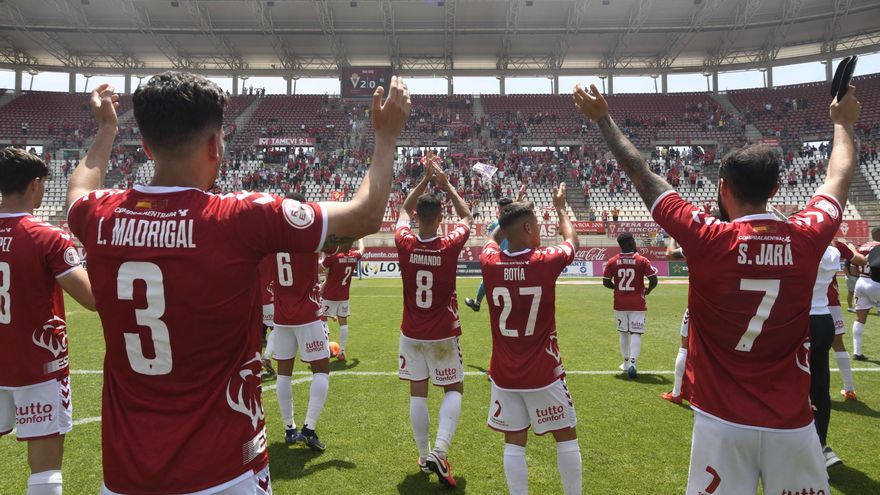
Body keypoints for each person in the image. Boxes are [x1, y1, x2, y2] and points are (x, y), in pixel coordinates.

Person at [66, 73, 410, 495]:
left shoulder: (99, 215)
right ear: (215, 146)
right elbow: (366, 215)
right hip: (225, 470)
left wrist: (105, 129)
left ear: (147, 147)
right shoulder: (238, 217)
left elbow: (79, 187)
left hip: (126, 474)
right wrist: (387, 136)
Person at [574, 80, 859, 494]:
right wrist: (842, 124)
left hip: (720, 422)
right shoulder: (806, 236)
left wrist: (603, 119)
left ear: (723, 189)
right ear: (776, 190)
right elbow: (839, 176)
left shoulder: (707, 237)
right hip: (793, 422)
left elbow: (641, 172)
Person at [0, 147, 95, 495]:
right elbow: (91, 298)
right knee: (45, 463)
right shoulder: (47, 236)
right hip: (38, 362)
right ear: (35, 184)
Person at [481, 183, 582, 495]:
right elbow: (571, 241)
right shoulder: (545, 261)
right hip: (543, 372)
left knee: (514, 441)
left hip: (504, 375)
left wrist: (505, 220)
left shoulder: (489, 262)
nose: (540, 230)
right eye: (537, 225)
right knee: (566, 436)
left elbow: (491, 239)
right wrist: (561, 206)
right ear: (528, 227)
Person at [395, 163, 472, 488]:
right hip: (442, 331)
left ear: (417, 217)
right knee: (453, 388)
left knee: (418, 393)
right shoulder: (449, 245)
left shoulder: (404, 242)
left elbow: (401, 208)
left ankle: (426, 454)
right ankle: (439, 451)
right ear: (441, 218)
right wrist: (447, 184)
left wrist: (425, 179)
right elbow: (467, 217)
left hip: (411, 332)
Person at [271, 192, 331, 451]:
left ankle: (289, 428)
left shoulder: (270, 240)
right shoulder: (308, 235)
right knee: (321, 370)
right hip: (308, 313)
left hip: (281, 316)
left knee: (283, 374)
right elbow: (337, 244)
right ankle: (308, 428)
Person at [809, 240, 867, 469]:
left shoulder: (791, 245)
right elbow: (856, 262)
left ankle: (803, 443)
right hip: (824, 314)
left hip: (796, 318)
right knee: (819, 384)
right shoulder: (833, 248)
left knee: (790, 383)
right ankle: (821, 444)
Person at [603, 232, 658, 378]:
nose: (635, 243)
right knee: (636, 332)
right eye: (633, 241)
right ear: (629, 243)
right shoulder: (642, 260)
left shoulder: (612, 261)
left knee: (623, 332)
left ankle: (626, 363)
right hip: (637, 303)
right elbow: (654, 280)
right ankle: (633, 363)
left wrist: (617, 288)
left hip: (620, 303)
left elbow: (605, 282)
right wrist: (648, 290)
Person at [464, 184, 526, 312]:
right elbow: (513, 212)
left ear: (502, 209)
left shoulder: (498, 223)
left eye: (499, 208)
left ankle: (478, 302)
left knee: (488, 280)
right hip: (513, 258)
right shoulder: (514, 222)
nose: (497, 210)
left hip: (499, 258)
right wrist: (519, 197)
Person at [827, 241, 863, 400]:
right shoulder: (835, 244)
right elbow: (861, 260)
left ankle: (806, 393)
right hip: (830, 301)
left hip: (805, 302)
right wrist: (852, 248)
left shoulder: (799, 239)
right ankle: (849, 388)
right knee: (838, 344)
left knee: (805, 348)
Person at [320, 238, 365, 361]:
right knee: (343, 323)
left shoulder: (334, 257)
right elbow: (362, 250)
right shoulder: (354, 255)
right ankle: (342, 353)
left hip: (329, 296)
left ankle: (325, 351)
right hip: (344, 297)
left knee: (322, 320)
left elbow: (319, 269)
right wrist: (361, 239)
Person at [661, 238, 690, 404]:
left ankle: (677, 392)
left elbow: (670, 255)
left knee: (684, 347)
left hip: (701, 306)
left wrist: (672, 238)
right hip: (736, 308)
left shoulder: (707, 241)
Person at [851, 227, 880, 361]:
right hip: (876, 281)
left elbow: (852, 267)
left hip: (861, 281)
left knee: (860, 319)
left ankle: (857, 352)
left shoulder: (863, 246)